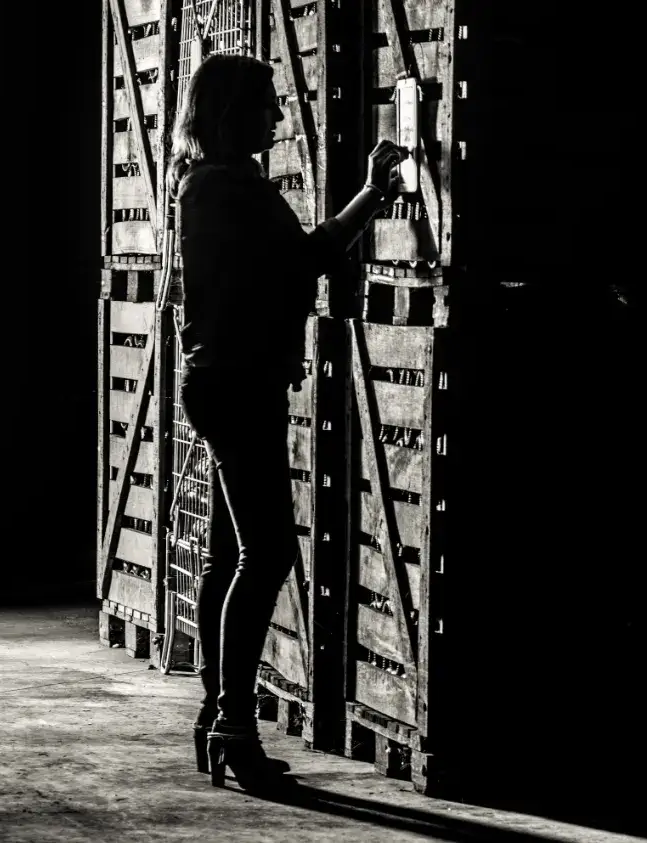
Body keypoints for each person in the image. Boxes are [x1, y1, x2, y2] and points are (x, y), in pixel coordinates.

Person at [166, 53, 405, 794]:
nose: (277, 116)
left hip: (221, 382)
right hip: (240, 388)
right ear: (232, 112)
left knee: (227, 556)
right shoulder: (229, 189)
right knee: (266, 556)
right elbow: (308, 260)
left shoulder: (207, 183)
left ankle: (217, 717)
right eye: (266, 103)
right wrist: (372, 193)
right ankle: (234, 726)